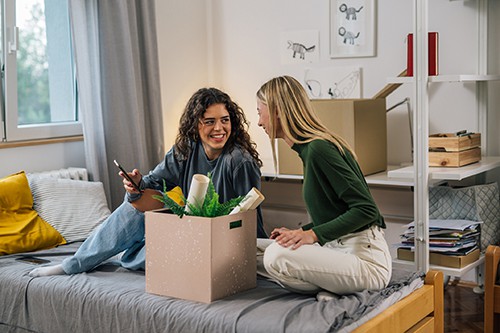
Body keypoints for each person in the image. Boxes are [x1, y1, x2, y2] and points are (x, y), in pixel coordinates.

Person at [29, 87, 267, 277]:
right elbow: (153, 183)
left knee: (131, 258)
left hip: (221, 242)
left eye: (225, 120)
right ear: (196, 124)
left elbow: (247, 219)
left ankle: (119, 251)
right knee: (134, 209)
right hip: (190, 232)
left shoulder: (239, 161)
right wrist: (136, 184)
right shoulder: (186, 150)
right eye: (209, 121)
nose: (219, 128)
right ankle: (73, 264)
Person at [255, 75, 391, 297]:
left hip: (366, 261)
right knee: (249, 251)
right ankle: (334, 285)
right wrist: (301, 232)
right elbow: (335, 214)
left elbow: (367, 210)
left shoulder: (319, 149)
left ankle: (334, 286)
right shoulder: (308, 151)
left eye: (260, 112)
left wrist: (313, 235)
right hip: (337, 249)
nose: (259, 121)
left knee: (275, 257)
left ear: (277, 110)